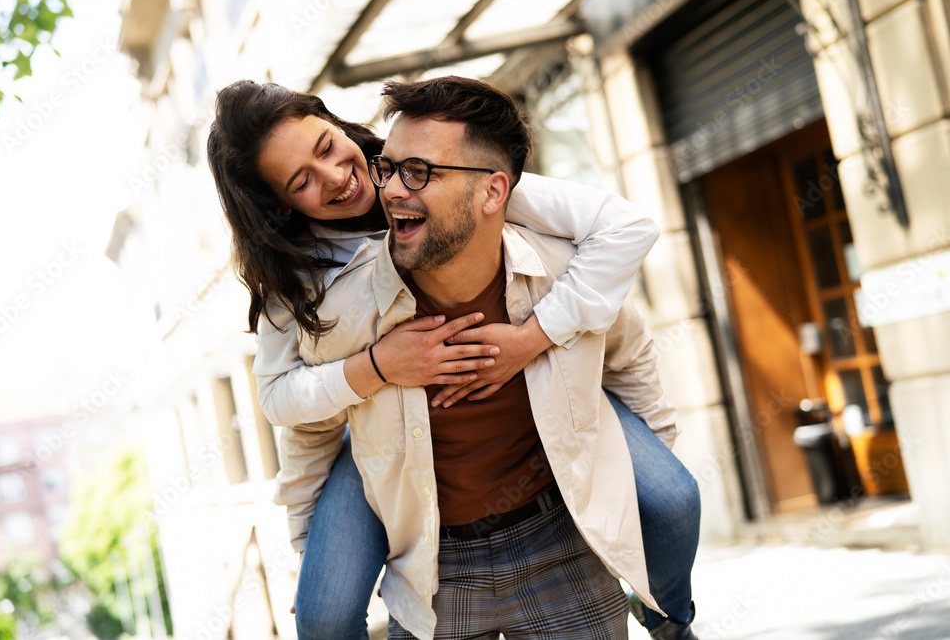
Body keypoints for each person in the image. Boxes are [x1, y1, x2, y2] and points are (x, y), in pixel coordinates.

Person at [207, 79, 700, 639]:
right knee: (323, 611)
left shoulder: (458, 183)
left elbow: (626, 241)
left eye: (327, 148)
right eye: (302, 182)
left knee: (674, 498)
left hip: (549, 373)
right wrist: (380, 367)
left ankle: (668, 617)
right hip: (375, 412)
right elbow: (286, 406)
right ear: (280, 205)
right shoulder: (305, 284)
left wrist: (530, 338)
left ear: (339, 127)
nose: (339, 177)